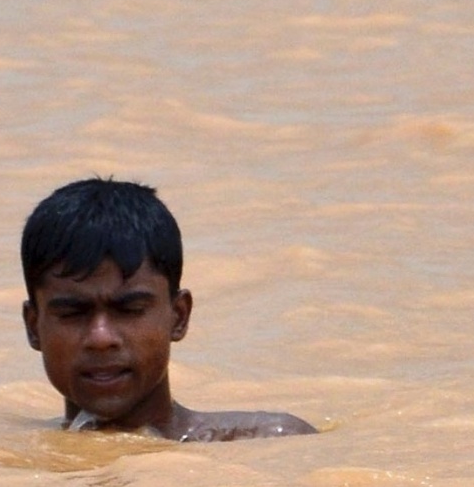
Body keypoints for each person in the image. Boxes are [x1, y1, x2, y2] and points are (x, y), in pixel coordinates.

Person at [20, 179, 317, 442]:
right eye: (73, 313)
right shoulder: (10, 460)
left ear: (179, 316)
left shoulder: (268, 442)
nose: (101, 338)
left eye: (131, 309)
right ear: (34, 327)